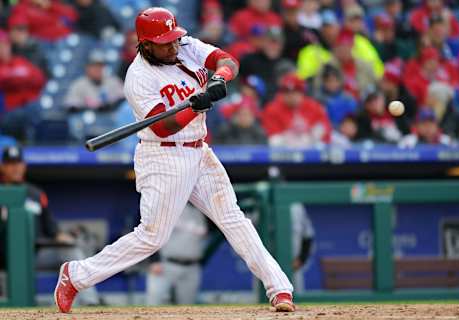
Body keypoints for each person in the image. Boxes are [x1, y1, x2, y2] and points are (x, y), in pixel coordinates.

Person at [54, 7, 295, 314]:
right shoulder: (138, 77)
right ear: (145, 44)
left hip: (199, 150)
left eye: (173, 39)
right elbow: (161, 125)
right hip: (163, 155)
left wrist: (219, 79)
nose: (172, 46)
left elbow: (227, 60)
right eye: (164, 42)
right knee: (152, 236)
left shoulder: (186, 46)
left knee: (233, 218)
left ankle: (279, 289)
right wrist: (193, 108)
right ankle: (75, 275)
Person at [0, 145, 100, 305]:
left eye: (18, 163)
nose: (15, 168)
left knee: (72, 251)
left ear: (24, 165)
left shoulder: (35, 193)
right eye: (11, 163)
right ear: (3, 167)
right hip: (6, 257)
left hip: (36, 254)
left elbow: (52, 229)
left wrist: (67, 239)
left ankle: (89, 302)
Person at [146, 203, 207, 305]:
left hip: (192, 267)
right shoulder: (168, 207)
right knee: (154, 305)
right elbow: (152, 234)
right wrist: (154, 260)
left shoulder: (201, 211)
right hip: (166, 265)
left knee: (188, 308)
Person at [63, 49, 124, 140]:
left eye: (100, 66)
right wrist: (92, 108)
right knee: (76, 120)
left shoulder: (113, 81)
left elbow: (123, 100)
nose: (97, 69)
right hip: (86, 121)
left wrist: (109, 106)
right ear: (87, 68)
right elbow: (71, 107)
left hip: (110, 118)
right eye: (94, 66)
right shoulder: (78, 84)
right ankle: (79, 144)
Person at [262, 72, 331, 147]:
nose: (291, 95)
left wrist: (310, 136)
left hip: (311, 146)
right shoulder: (272, 109)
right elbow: (272, 136)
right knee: (275, 141)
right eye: (287, 92)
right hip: (285, 150)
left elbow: (325, 129)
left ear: (302, 92)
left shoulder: (314, 106)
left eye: (295, 91)